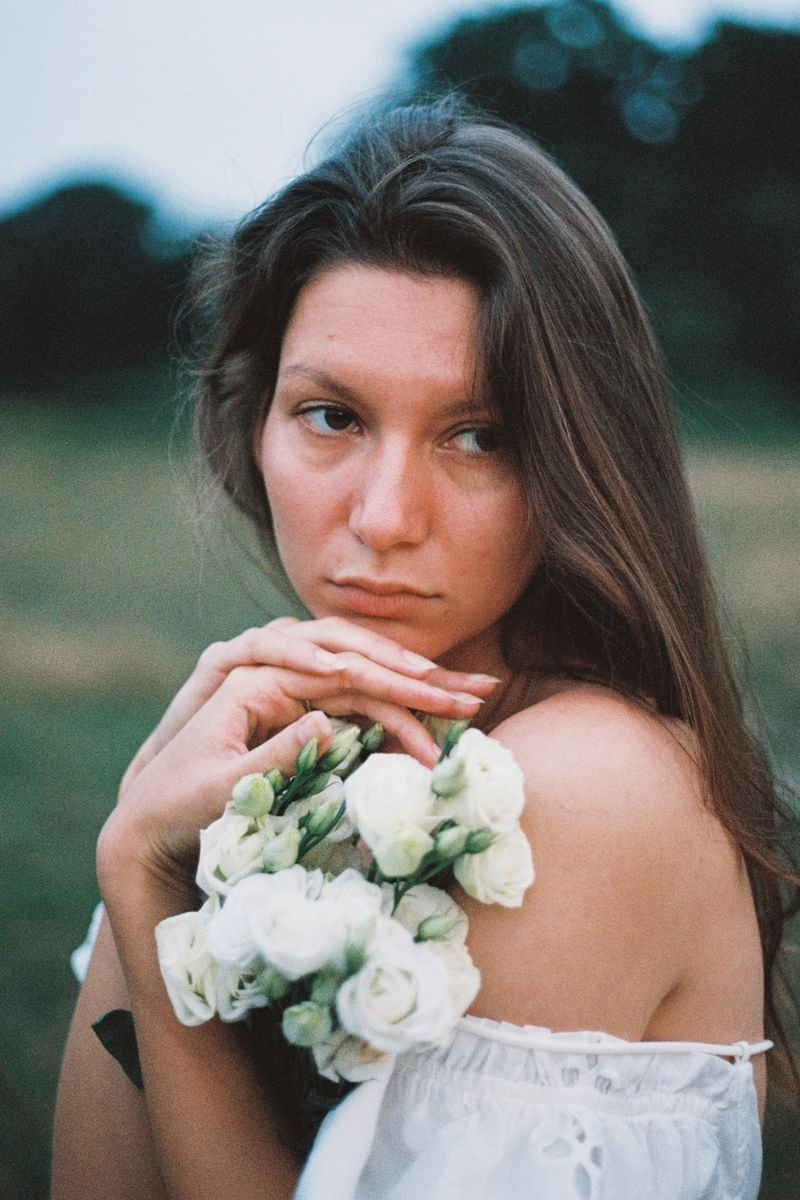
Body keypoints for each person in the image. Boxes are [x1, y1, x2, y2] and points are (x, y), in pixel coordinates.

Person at [51, 98, 797, 1200]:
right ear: (256, 418)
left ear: (576, 461)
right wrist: (144, 848)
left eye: (477, 436)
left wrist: (149, 896)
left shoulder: (580, 790)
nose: (386, 517)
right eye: (332, 417)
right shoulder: (298, 753)